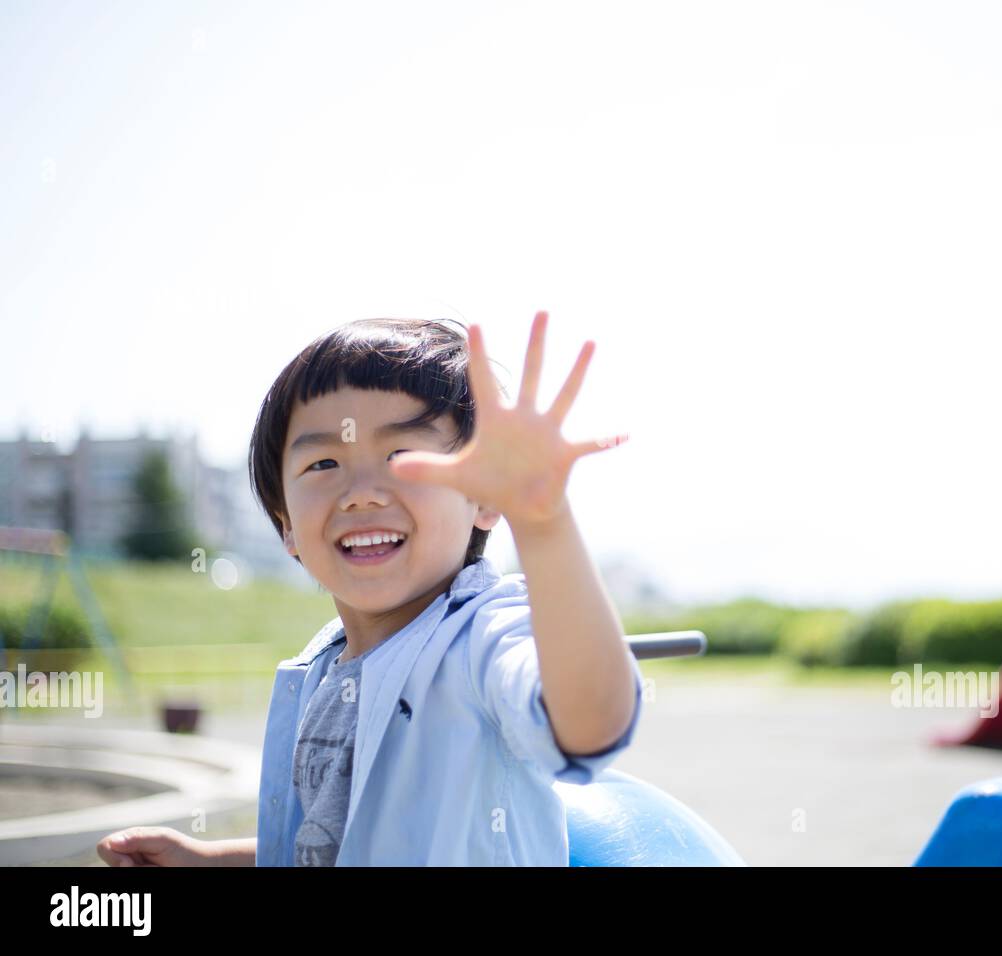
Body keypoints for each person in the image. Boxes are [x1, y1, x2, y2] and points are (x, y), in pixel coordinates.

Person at [97, 312, 643, 865]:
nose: (361, 493)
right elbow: (332, 844)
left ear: (482, 496)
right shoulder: (324, 667)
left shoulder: (482, 636)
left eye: (404, 458)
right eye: (324, 462)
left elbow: (588, 723)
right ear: (286, 523)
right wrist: (209, 861)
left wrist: (544, 525)